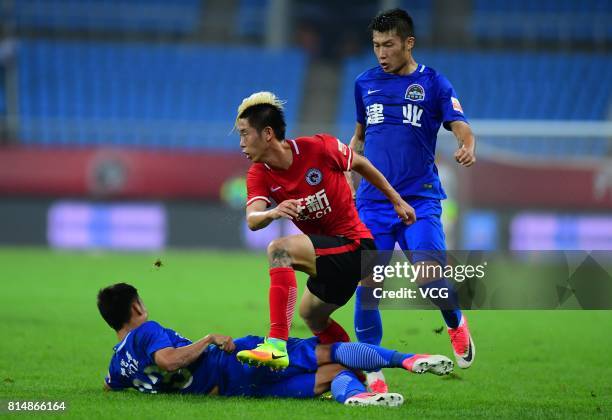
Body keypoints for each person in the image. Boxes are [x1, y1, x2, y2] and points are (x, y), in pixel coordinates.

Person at [235, 91, 416, 369]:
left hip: (356, 247)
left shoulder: (318, 147)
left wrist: (396, 199)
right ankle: (359, 374)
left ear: (268, 133)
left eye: (245, 134)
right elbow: (253, 219)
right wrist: (273, 212)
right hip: (328, 258)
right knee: (312, 316)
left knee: (280, 250)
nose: (241, 143)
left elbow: (360, 163)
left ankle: (275, 345)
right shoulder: (259, 173)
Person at [348, 8, 477, 392]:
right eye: (375, 45)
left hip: (419, 199)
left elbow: (461, 125)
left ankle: (454, 321)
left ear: (409, 43)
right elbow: (360, 133)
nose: (381, 53)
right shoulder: (363, 83)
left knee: (429, 277)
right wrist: (349, 156)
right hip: (372, 202)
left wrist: (466, 145)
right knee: (369, 284)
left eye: (389, 44)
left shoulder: (435, 84)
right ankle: (372, 369)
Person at [98, 283, 454, 407]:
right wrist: (208, 338)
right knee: (325, 351)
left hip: (233, 391)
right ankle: (408, 359)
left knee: (331, 378)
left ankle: (358, 397)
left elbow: (110, 385)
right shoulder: (147, 331)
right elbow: (168, 361)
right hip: (238, 360)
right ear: (136, 308)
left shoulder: (118, 364)